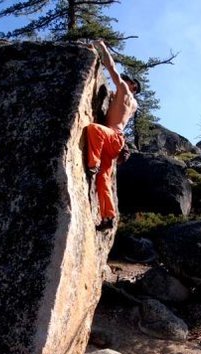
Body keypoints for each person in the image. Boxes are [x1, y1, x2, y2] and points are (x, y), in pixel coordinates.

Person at [87, 40, 141, 231]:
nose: (123, 81)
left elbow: (111, 68)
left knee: (94, 129)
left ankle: (92, 164)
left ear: (133, 86)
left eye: (128, 81)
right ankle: (108, 217)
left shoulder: (126, 91)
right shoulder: (132, 104)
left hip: (112, 137)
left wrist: (101, 47)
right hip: (115, 143)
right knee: (104, 180)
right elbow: (116, 106)